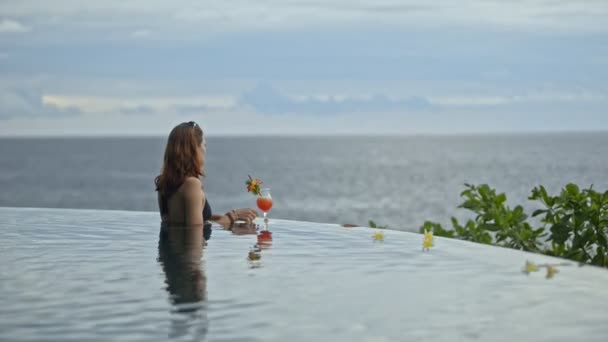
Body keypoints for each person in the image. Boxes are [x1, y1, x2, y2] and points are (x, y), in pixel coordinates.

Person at [154, 121, 257, 238]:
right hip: (188, 256)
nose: (205, 150)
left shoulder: (164, 183)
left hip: (170, 255)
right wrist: (233, 216)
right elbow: (196, 230)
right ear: (194, 149)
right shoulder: (191, 184)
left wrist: (225, 216)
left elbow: (186, 220)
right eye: (204, 145)